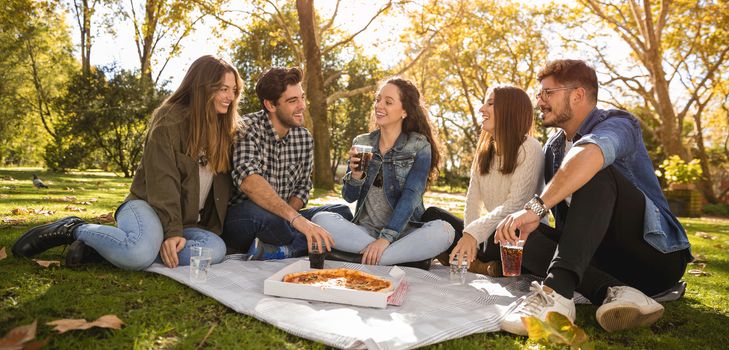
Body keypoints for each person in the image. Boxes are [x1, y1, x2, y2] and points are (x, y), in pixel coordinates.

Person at [495, 59, 691, 335]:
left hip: (654, 258)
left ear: (577, 95)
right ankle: (615, 292)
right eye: (540, 94)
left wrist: (537, 207)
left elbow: (589, 154)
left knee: (596, 169)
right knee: (514, 235)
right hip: (600, 262)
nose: (539, 102)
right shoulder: (553, 148)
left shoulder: (619, 124)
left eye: (547, 93)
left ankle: (558, 296)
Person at [12, 55, 242, 270]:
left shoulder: (225, 133)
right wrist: (172, 232)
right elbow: (163, 182)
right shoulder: (169, 119)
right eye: (223, 89)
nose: (230, 97)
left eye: (234, 90)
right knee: (138, 255)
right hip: (147, 207)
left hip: (187, 224)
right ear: (202, 88)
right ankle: (74, 228)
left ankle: (101, 250)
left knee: (214, 250)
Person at [311, 77, 455, 267]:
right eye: (378, 100)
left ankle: (364, 257)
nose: (379, 105)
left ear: (404, 111)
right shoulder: (362, 143)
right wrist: (355, 176)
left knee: (445, 231)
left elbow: (411, 195)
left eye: (388, 102)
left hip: (404, 233)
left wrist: (386, 238)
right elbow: (349, 196)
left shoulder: (419, 145)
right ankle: (398, 258)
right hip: (365, 232)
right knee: (320, 219)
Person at [222, 67, 352, 260]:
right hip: (246, 218)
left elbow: (302, 187)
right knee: (261, 214)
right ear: (270, 105)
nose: (302, 106)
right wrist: (296, 220)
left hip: (284, 217)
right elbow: (249, 181)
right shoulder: (247, 127)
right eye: (293, 101)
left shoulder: (304, 138)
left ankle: (281, 250)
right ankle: (306, 246)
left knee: (341, 213)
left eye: (302, 97)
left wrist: (292, 216)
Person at [437, 85, 544, 275]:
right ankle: (479, 264)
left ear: (510, 111)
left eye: (491, 103)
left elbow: (515, 206)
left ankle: (469, 260)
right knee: (432, 216)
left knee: (502, 238)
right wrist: (470, 238)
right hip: (487, 232)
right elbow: (472, 202)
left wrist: (474, 234)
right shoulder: (484, 152)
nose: (481, 109)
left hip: (517, 233)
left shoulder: (530, 148)